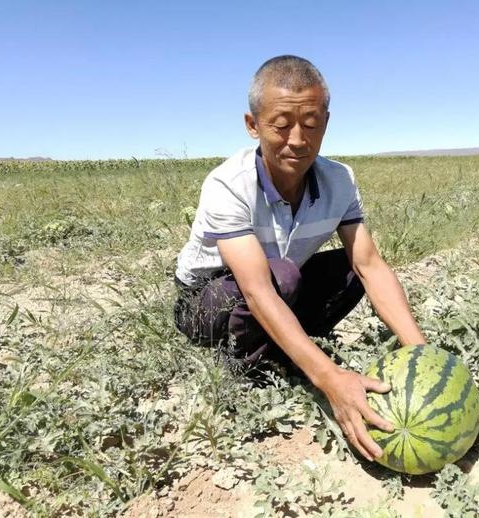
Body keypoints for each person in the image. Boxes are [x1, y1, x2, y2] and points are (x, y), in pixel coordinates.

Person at [174, 55, 426, 462]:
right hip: (205, 300)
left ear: (326, 122)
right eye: (280, 125)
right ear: (252, 125)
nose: (297, 140)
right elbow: (257, 290)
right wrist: (329, 377)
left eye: (310, 125)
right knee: (282, 277)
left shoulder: (340, 180)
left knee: (348, 270)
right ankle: (246, 366)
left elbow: (370, 266)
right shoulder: (228, 184)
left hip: (278, 282)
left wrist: (422, 354)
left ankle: (286, 347)